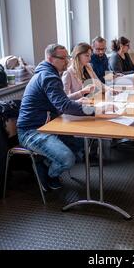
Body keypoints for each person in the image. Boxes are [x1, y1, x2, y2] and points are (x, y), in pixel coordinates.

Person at [17, 44, 108, 191]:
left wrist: (77, 101)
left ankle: (45, 161)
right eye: (63, 58)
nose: (67, 61)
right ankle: (49, 174)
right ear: (51, 59)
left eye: (67, 57)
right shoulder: (48, 76)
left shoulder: (49, 73)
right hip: (32, 131)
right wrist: (95, 110)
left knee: (80, 142)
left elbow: (61, 101)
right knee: (68, 159)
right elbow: (64, 106)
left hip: (48, 126)